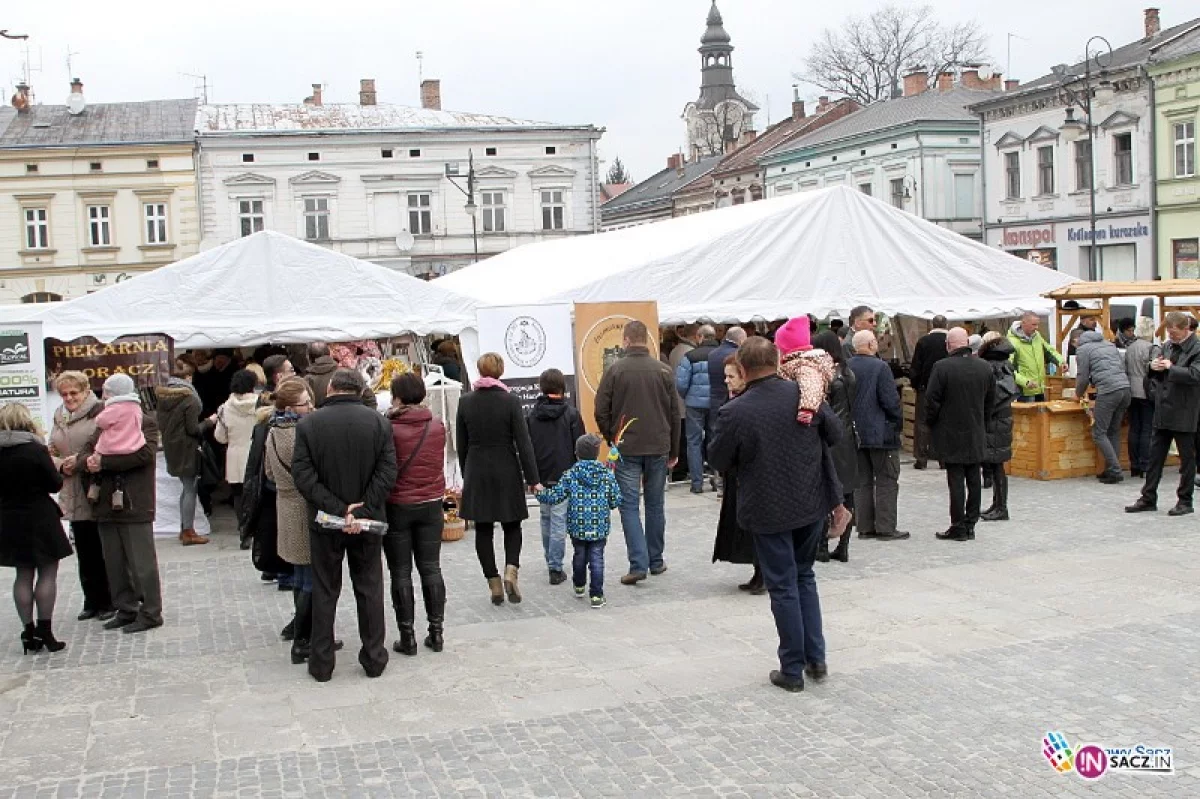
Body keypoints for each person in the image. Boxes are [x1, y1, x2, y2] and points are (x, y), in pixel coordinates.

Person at [708, 337, 844, 693]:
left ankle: (792, 669)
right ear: (778, 359)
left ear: (742, 368)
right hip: (809, 501)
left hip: (768, 508)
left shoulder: (736, 410)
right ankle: (816, 658)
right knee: (804, 577)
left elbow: (718, 459)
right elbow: (835, 433)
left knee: (783, 585)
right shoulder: (804, 393)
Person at [292, 368, 396, 682]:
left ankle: (322, 663)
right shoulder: (378, 421)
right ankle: (374, 657)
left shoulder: (309, 424)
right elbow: (388, 471)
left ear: (332, 388)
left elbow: (303, 476)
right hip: (366, 519)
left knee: (325, 590)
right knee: (370, 587)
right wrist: (361, 509)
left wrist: (338, 509)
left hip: (326, 521)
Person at [595, 321, 681, 585]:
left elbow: (601, 409)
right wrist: (674, 449)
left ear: (626, 340)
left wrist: (612, 437)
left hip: (627, 446)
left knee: (629, 507)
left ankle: (638, 564)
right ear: (646, 340)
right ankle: (656, 560)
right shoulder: (664, 371)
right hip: (658, 445)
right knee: (655, 504)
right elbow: (674, 414)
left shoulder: (615, 371)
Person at [81, 375, 164, 634]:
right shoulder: (105, 424)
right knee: (114, 562)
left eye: (106, 392)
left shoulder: (144, 422)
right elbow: (87, 450)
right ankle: (125, 608)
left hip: (135, 503)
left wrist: (102, 462)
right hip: (105, 503)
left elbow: (144, 455)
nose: (104, 397)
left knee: (142, 564)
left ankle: (151, 612)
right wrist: (88, 461)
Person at [457, 353, 541, 605]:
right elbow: (523, 443)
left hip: (477, 468)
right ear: (500, 371)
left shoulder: (466, 402)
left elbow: (462, 444)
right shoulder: (511, 401)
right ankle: (511, 570)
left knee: (483, 528)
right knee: (512, 524)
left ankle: (493, 582)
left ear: (480, 372)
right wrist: (533, 478)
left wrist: (466, 472)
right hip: (506, 466)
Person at [384, 373, 448, 655]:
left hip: (397, 505)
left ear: (396, 396)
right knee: (431, 567)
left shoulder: (388, 428)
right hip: (432, 502)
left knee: (400, 572)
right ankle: (436, 633)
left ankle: (406, 636)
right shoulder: (437, 426)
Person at [0, 403, 72, 654]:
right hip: (40, 517)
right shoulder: (35, 449)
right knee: (47, 575)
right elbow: (54, 484)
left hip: (9, 518)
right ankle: (46, 631)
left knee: (23, 576)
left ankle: (28, 633)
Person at [49, 372, 113, 621]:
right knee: (84, 548)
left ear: (86, 391)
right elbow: (51, 447)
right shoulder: (59, 415)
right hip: (71, 486)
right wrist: (59, 464)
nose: (69, 398)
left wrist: (80, 461)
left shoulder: (99, 413)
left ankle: (108, 599)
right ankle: (91, 599)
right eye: (64, 394)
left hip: (94, 486)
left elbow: (105, 445)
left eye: (74, 393)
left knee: (101, 547)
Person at [1126, 312, 1200, 517]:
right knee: (1154, 456)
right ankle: (1148, 497)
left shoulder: (1197, 348)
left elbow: (1196, 375)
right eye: (1169, 331)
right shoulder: (1166, 346)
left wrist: (1172, 368)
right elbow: (1157, 374)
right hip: (1163, 408)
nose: (1171, 335)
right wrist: (1153, 367)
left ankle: (1185, 500)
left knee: (1186, 459)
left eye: (1174, 332)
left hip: (1185, 410)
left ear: (1186, 329)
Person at [535, 434, 622, 609]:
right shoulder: (606, 474)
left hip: (577, 526)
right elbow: (616, 500)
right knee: (597, 559)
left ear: (576, 453)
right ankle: (597, 595)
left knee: (579, 555)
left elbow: (556, 496)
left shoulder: (570, 475)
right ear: (598, 453)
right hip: (599, 526)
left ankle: (579, 585)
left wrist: (539, 492)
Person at [924, 328, 995, 542]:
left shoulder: (942, 367)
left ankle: (957, 524)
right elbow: (991, 400)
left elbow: (932, 400)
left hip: (950, 432)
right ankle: (970, 523)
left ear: (948, 345)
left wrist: (931, 423)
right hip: (975, 430)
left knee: (955, 480)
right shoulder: (984, 367)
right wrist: (983, 421)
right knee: (974, 478)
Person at [526, 368, 585, 585]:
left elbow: (527, 447)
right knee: (559, 520)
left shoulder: (532, 415)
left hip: (541, 475)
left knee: (546, 518)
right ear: (562, 387)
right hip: (565, 474)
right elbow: (580, 447)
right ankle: (555, 566)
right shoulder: (571, 414)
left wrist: (532, 477)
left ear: (542, 388)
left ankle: (550, 559)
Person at [848, 330, 907, 541]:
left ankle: (864, 526)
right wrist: (897, 424)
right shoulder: (880, 367)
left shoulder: (847, 366)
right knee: (887, 479)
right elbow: (890, 401)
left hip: (856, 433)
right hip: (880, 433)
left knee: (863, 481)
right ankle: (885, 527)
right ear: (872, 344)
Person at [711, 354, 761, 591]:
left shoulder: (744, 405)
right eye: (726, 376)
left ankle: (762, 571)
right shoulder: (732, 400)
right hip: (735, 471)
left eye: (731, 376)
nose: (727, 381)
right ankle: (758, 570)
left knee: (754, 524)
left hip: (747, 473)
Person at [812, 331, 858, 563]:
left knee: (825, 491)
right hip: (849, 438)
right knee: (847, 492)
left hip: (830, 439)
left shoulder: (826, 376)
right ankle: (844, 545)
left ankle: (821, 545)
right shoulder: (849, 372)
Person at [156, 358, 210, 546]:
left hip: (172, 447)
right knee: (190, 489)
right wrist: (210, 422)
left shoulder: (162, 397)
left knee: (186, 487)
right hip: (187, 448)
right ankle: (188, 531)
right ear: (188, 377)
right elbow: (193, 429)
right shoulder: (189, 398)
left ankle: (184, 528)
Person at [1075, 329, 1132, 484]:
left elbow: (1082, 377)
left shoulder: (1083, 349)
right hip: (1125, 389)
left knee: (1099, 433)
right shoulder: (1109, 345)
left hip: (1109, 391)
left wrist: (1078, 394)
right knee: (1113, 431)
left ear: (1077, 339)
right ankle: (1111, 469)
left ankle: (1115, 470)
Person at [978, 335, 1018, 521]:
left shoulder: (997, 367)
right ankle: (998, 504)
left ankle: (1001, 507)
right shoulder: (1002, 365)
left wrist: (985, 406)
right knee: (995, 465)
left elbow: (1000, 393)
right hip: (999, 420)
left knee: (996, 465)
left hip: (997, 421)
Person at [676, 324, 719, 493]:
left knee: (693, 442)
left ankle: (697, 483)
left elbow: (681, 383)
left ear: (699, 337)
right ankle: (717, 480)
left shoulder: (690, 356)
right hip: (716, 403)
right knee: (714, 439)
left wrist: (688, 396)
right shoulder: (722, 355)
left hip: (694, 405)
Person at [214, 369, 261, 522]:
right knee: (257, 493)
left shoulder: (224, 408)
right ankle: (255, 526)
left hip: (235, 455)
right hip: (257, 453)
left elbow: (220, 437)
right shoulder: (261, 405)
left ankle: (242, 528)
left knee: (238, 494)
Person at [910, 317, 949, 470]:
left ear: (932, 325)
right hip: (946, 388)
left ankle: (921, 458)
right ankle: (943, 458)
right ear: (946, 325)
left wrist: (916, 384)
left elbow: (916, 367)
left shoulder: (923, 341)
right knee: (944, 421)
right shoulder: (950, 340)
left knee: (922, 422)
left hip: (925, 388)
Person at [1124, 318, 1159, 479]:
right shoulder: (1152, 348)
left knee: (1134, 428)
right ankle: (1145, 463)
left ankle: (1134, 465)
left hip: (1131, 390)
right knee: (1147, 429)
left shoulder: (1130, 348)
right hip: (1147, 392)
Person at [667, 324, 699, 482]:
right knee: (687, 439)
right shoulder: (688, 352)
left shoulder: (675, 350)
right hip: (686, 401)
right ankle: (683, 469)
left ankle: (679, 469)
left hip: (677, 400)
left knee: (680, 437)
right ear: (696, 336)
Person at [1008, 312, 1062, 402]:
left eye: (1037, 324)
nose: (1037, 327)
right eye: (1034, 324)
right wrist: (1025, 382)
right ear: (1023, 323)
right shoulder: (1012, 342)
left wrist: (1061, 362)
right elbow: (1008, 369)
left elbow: (1049, 350)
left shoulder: (1037, 336)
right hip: (1024, 391)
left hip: (1040, 388)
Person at [93, 380, 146, 457]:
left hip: (112, 447)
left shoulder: (115, 408)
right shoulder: (136, 406)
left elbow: (100, 421)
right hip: (134, 445)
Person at [707, 326, 747, 412]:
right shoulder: (738, 356)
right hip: (734, 400)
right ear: (741, 340)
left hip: (714, 400)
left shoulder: (712, 354)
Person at [193, 348, 236, 418]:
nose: (199, 358)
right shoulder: (197, 370)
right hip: (202, 405)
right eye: (196, 355)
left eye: (201, 355)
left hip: (215, 406)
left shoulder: (217, 370)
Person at [303, 342, 340, 407]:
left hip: (316, 415)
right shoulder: (342, 374)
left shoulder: (307, 380)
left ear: (308, 357)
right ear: (330, 354)